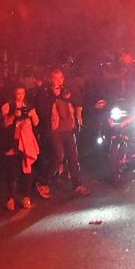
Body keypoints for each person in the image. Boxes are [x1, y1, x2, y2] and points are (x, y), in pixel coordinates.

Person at [45, 69, 89, 197]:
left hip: (69, 129)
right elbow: (44, 109)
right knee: (58, 157)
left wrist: (70, 98)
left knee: (73, 158)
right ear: (51, 79)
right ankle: (44, 180)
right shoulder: (47, 92)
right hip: (55, 131)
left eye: (60, 78)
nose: (58, 81)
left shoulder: (68, 90)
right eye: (55, 78)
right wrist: (55, 96)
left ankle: (77, 185)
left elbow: (78, 101)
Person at [2, 86, 39, 210]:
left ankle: (26, 197)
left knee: (27, 170)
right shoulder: (8, 106)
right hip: (13, 142)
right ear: (14, 94)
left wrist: (32, 115)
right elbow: (5, 123)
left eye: (22, 93)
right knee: (12, 172)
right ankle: (10, 198)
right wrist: (14, 115)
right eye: (18, 93)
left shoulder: (29, 106)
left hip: (26, 142)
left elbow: (36, 123)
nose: (20, 96)